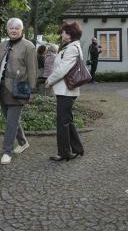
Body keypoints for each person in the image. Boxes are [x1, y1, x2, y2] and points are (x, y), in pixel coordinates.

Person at [0, 18, 37, 165]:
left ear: (21, 30)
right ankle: (23, 142)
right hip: (1, 88)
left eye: (17, 28)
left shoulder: (28, 46)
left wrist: (32, 91)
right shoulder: (1, 46)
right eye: (11, 28)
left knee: (11, 123)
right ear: (7, 29)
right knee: (11, 120)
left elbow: (32, 70)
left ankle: (7, 151)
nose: (14, 30)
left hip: (19, 89)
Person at [45, 22, 85, 161]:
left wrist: (49, 81)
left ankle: (64, 153)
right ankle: (77, 148)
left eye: (63, 32)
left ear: (69, 34)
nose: (61, 34)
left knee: (62, 121)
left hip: (66, 90)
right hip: (67, 90)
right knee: (67, 120)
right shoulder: (70, 47)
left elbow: (62, 69)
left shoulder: (72, 48)